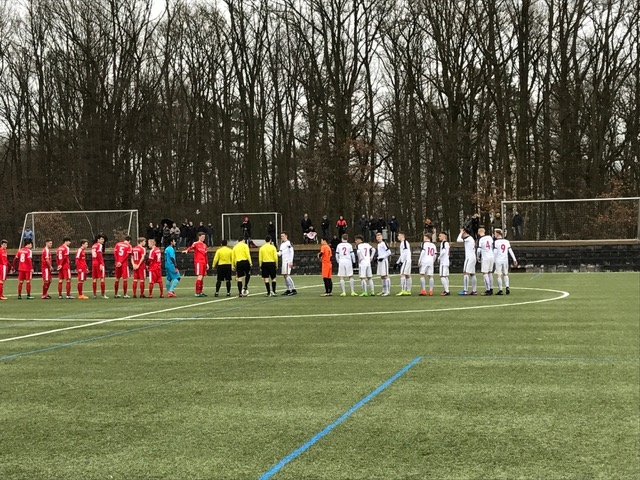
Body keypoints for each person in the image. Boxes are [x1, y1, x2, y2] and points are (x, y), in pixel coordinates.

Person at [493, 228, 518, 295]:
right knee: (505, 274)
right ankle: (507, 287)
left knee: (499, 275)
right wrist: (514, 259)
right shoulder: (506, 241)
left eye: (495, 233)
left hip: (498, 260)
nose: (494, 234)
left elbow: (495, 252)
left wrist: (493, 260)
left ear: (497, 234)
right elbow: (510, 251)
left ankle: (500, 290)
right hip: (505, 260)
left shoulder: (496, 242)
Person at [184, 232, 209, 297]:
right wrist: (187, 250)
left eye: (204, 237)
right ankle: (197, 292)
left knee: (202, 277)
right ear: (199, 237)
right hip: (198, 262)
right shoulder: (196, 243)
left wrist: (207, 263)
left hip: (203, 262)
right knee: (200, 276)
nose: (203, 238)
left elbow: (205, 255)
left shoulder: (204, 245)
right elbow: (190, 247)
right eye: (202, 237)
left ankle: (200, 291)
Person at [457, 227, 477, 295]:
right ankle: (474, 290)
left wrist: (461, 233)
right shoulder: (470, 238)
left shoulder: (468, 238)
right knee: (472, 274)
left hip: (469, 258)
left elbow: (458, 240)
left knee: (466, 273)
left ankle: (465, 290)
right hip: (473, 257)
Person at [477, 227, 495, 295]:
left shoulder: (480, 239)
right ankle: (491, 288)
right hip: (491, 256)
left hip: (485, 257)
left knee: (485, 273)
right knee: (490, 273)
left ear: (479, 232)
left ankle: (488, 289)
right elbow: (492, 246)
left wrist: (478, 257)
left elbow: (479, 250)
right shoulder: (490, 237)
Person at [278, 231, 297, 295]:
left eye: (283, 236)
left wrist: (291, 261)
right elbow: (280, 253)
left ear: (286, 236)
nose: (281, 237)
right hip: (284, 261)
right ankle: (288, 289)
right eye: (281, 236)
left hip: (287, 261)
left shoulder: (288, 243)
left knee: (287, 275)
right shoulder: (282, 244)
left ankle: (293, 289)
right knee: (284, 275)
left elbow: (292, 252)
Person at [375, 231, 392, 296]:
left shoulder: (384, 243)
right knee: (382, 276)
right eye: (377, 237)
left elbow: (389, 252)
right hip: (380, 261)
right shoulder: (378, 244)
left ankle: (388, 291)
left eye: (379, 237)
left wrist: (383, 257)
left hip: (384, 261)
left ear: (382, 237)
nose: (378, 238)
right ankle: (383, 290)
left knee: (386, 275)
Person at [91, 234, 108, 298]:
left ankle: (94, 294)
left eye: (103, 239)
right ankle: (103, 295)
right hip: (99, 263)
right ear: (98, 239)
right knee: (102, 278)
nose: (103, 240)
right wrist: (101, 263)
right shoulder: (99, 245)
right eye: (102, 239)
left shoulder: (93, 245)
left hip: (94, 263)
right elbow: (99, 255)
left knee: (94, 279)